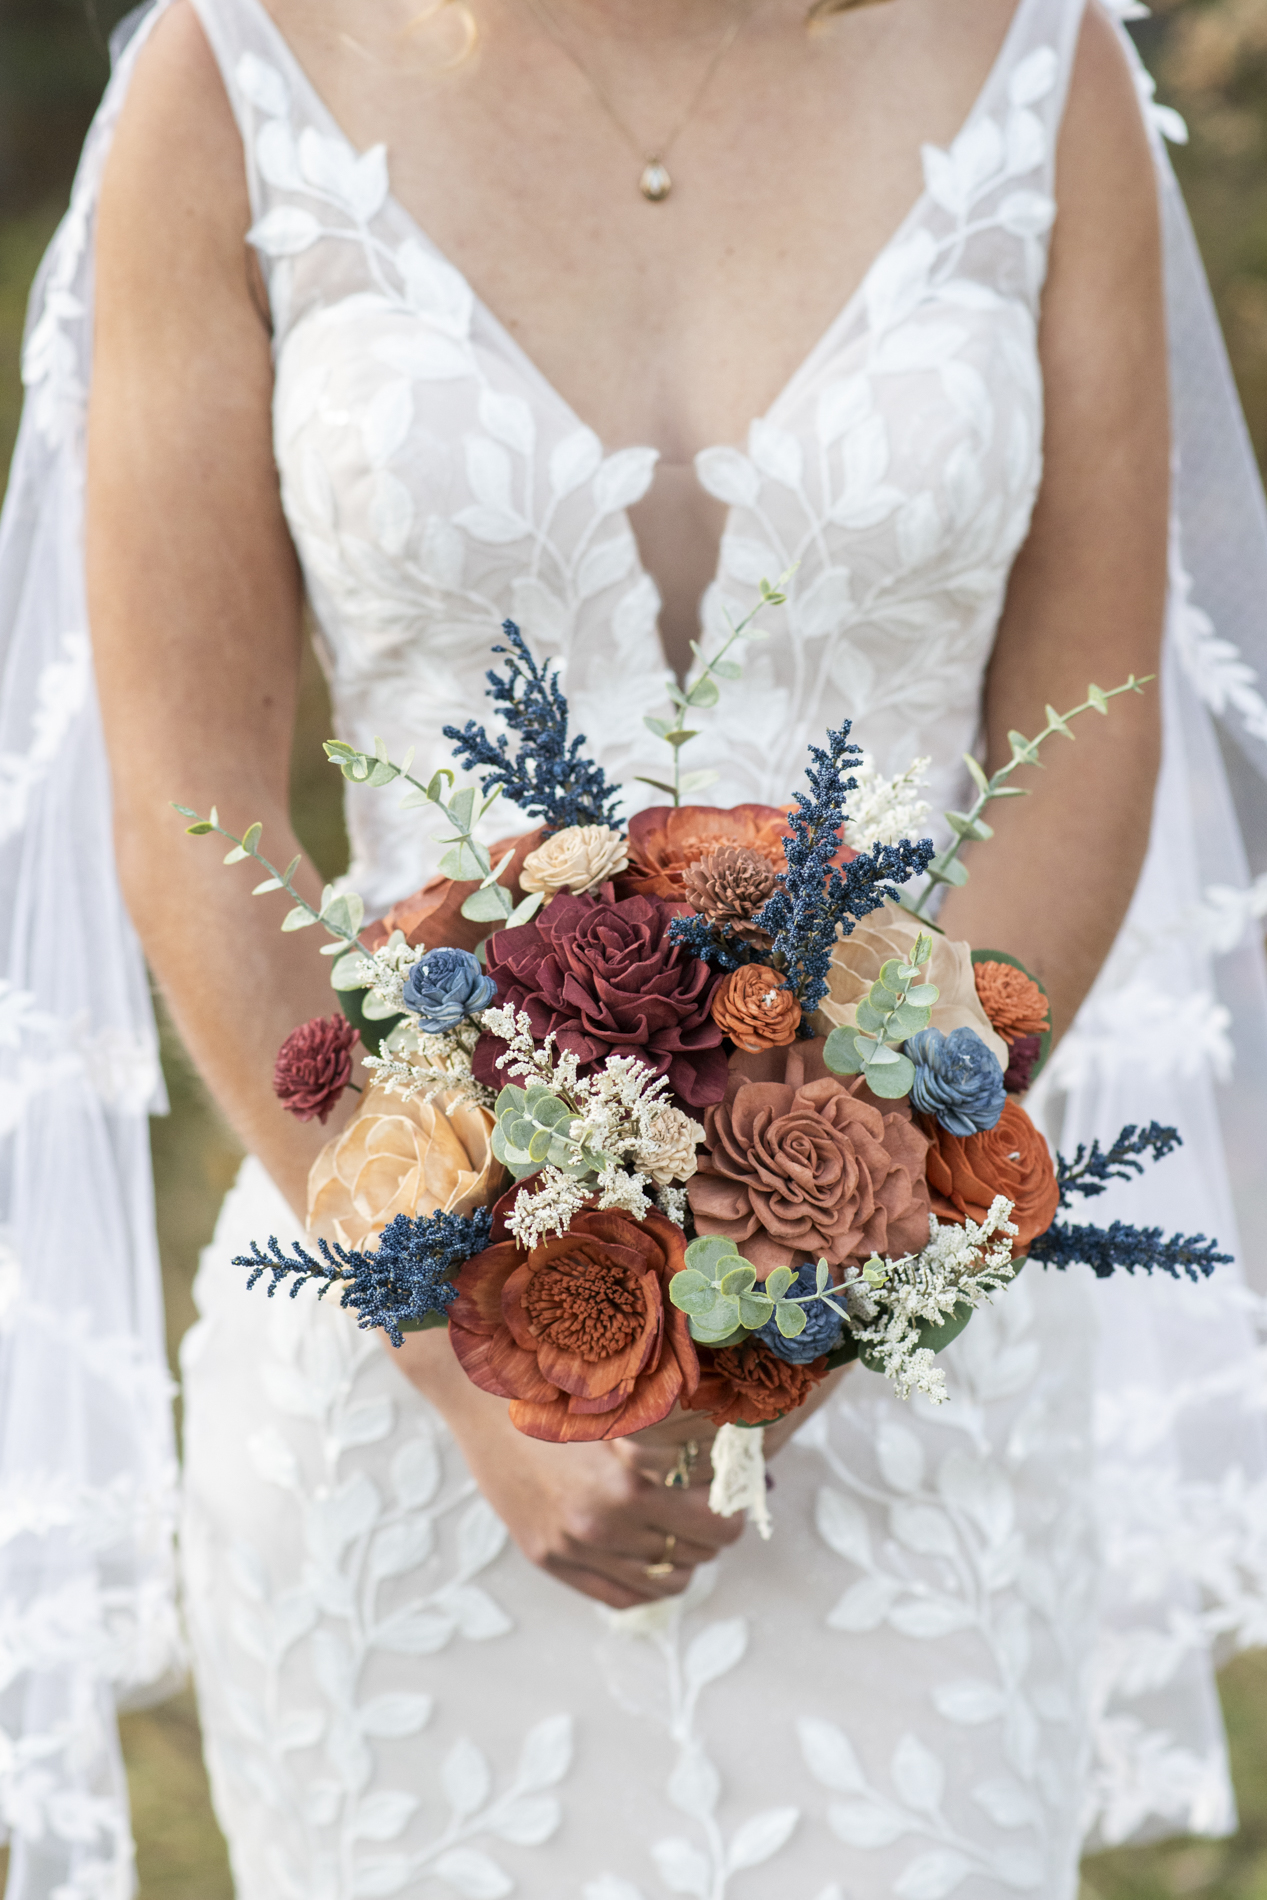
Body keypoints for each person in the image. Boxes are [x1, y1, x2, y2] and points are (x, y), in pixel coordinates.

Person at [3, 0, 1267, 1895]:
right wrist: (455, 1354)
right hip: (399, 1376)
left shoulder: (1035, 59)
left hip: (907, 1377)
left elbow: (1078, 737)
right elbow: (194, 802)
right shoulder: (233, 68)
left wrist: (837, 1260)